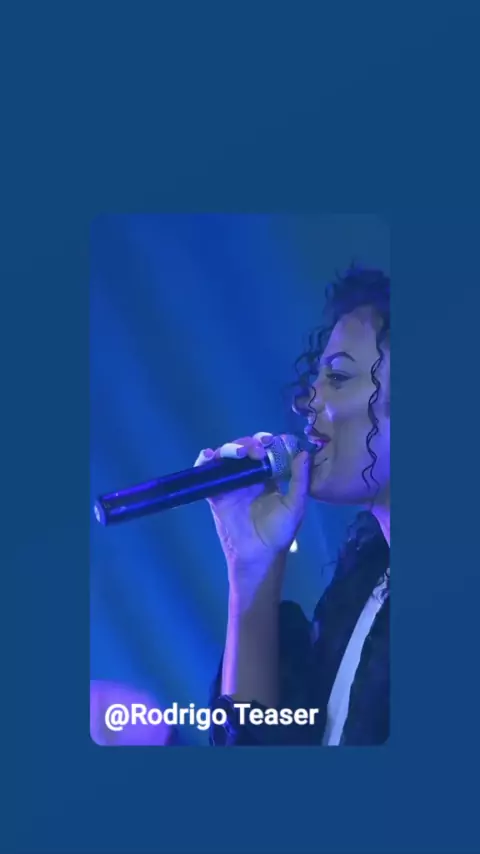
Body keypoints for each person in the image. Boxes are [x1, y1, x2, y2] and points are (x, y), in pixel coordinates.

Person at [194, 265, 390, 746]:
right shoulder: (363, 591)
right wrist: (252, 568)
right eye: (318, 378)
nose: (309, 401)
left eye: (338, 377)